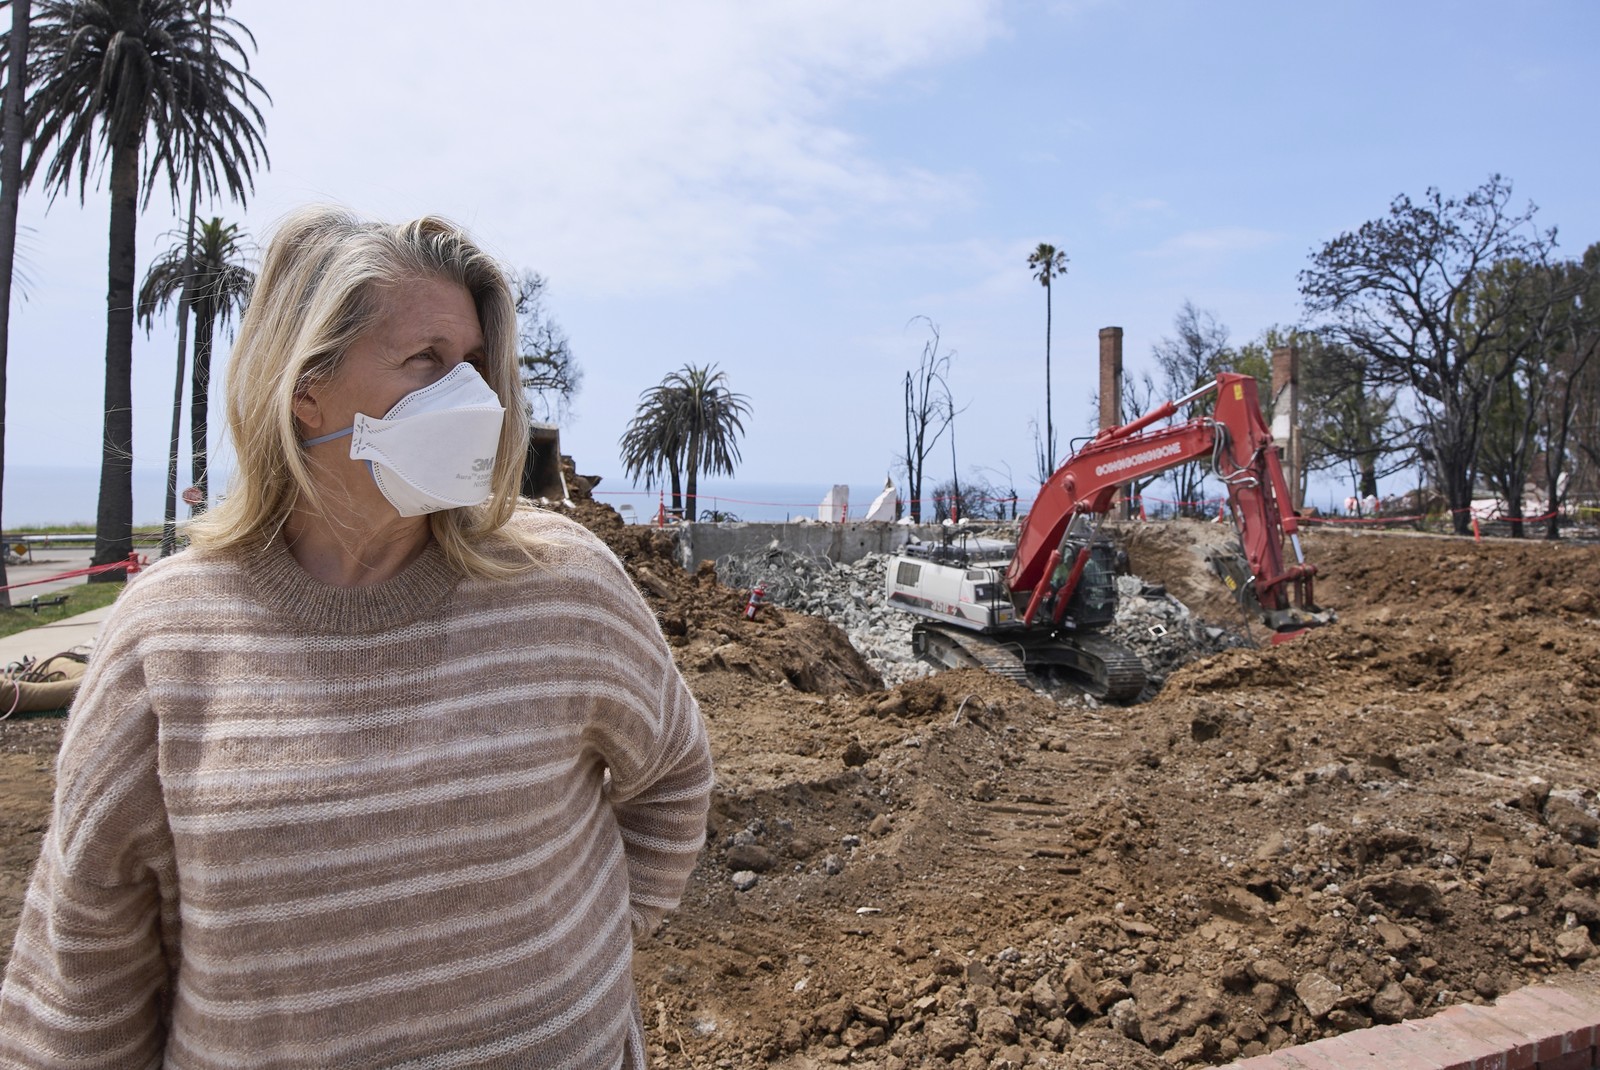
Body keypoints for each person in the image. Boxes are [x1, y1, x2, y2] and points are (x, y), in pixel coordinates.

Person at [0, 207, 714, 1069]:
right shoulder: (166, 642)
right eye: (428, 362)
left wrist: (593, 940)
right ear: (306, 389)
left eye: (479, 368)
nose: (476, 402)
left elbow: (674, 773)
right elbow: (84, 978)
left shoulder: (564, 587)